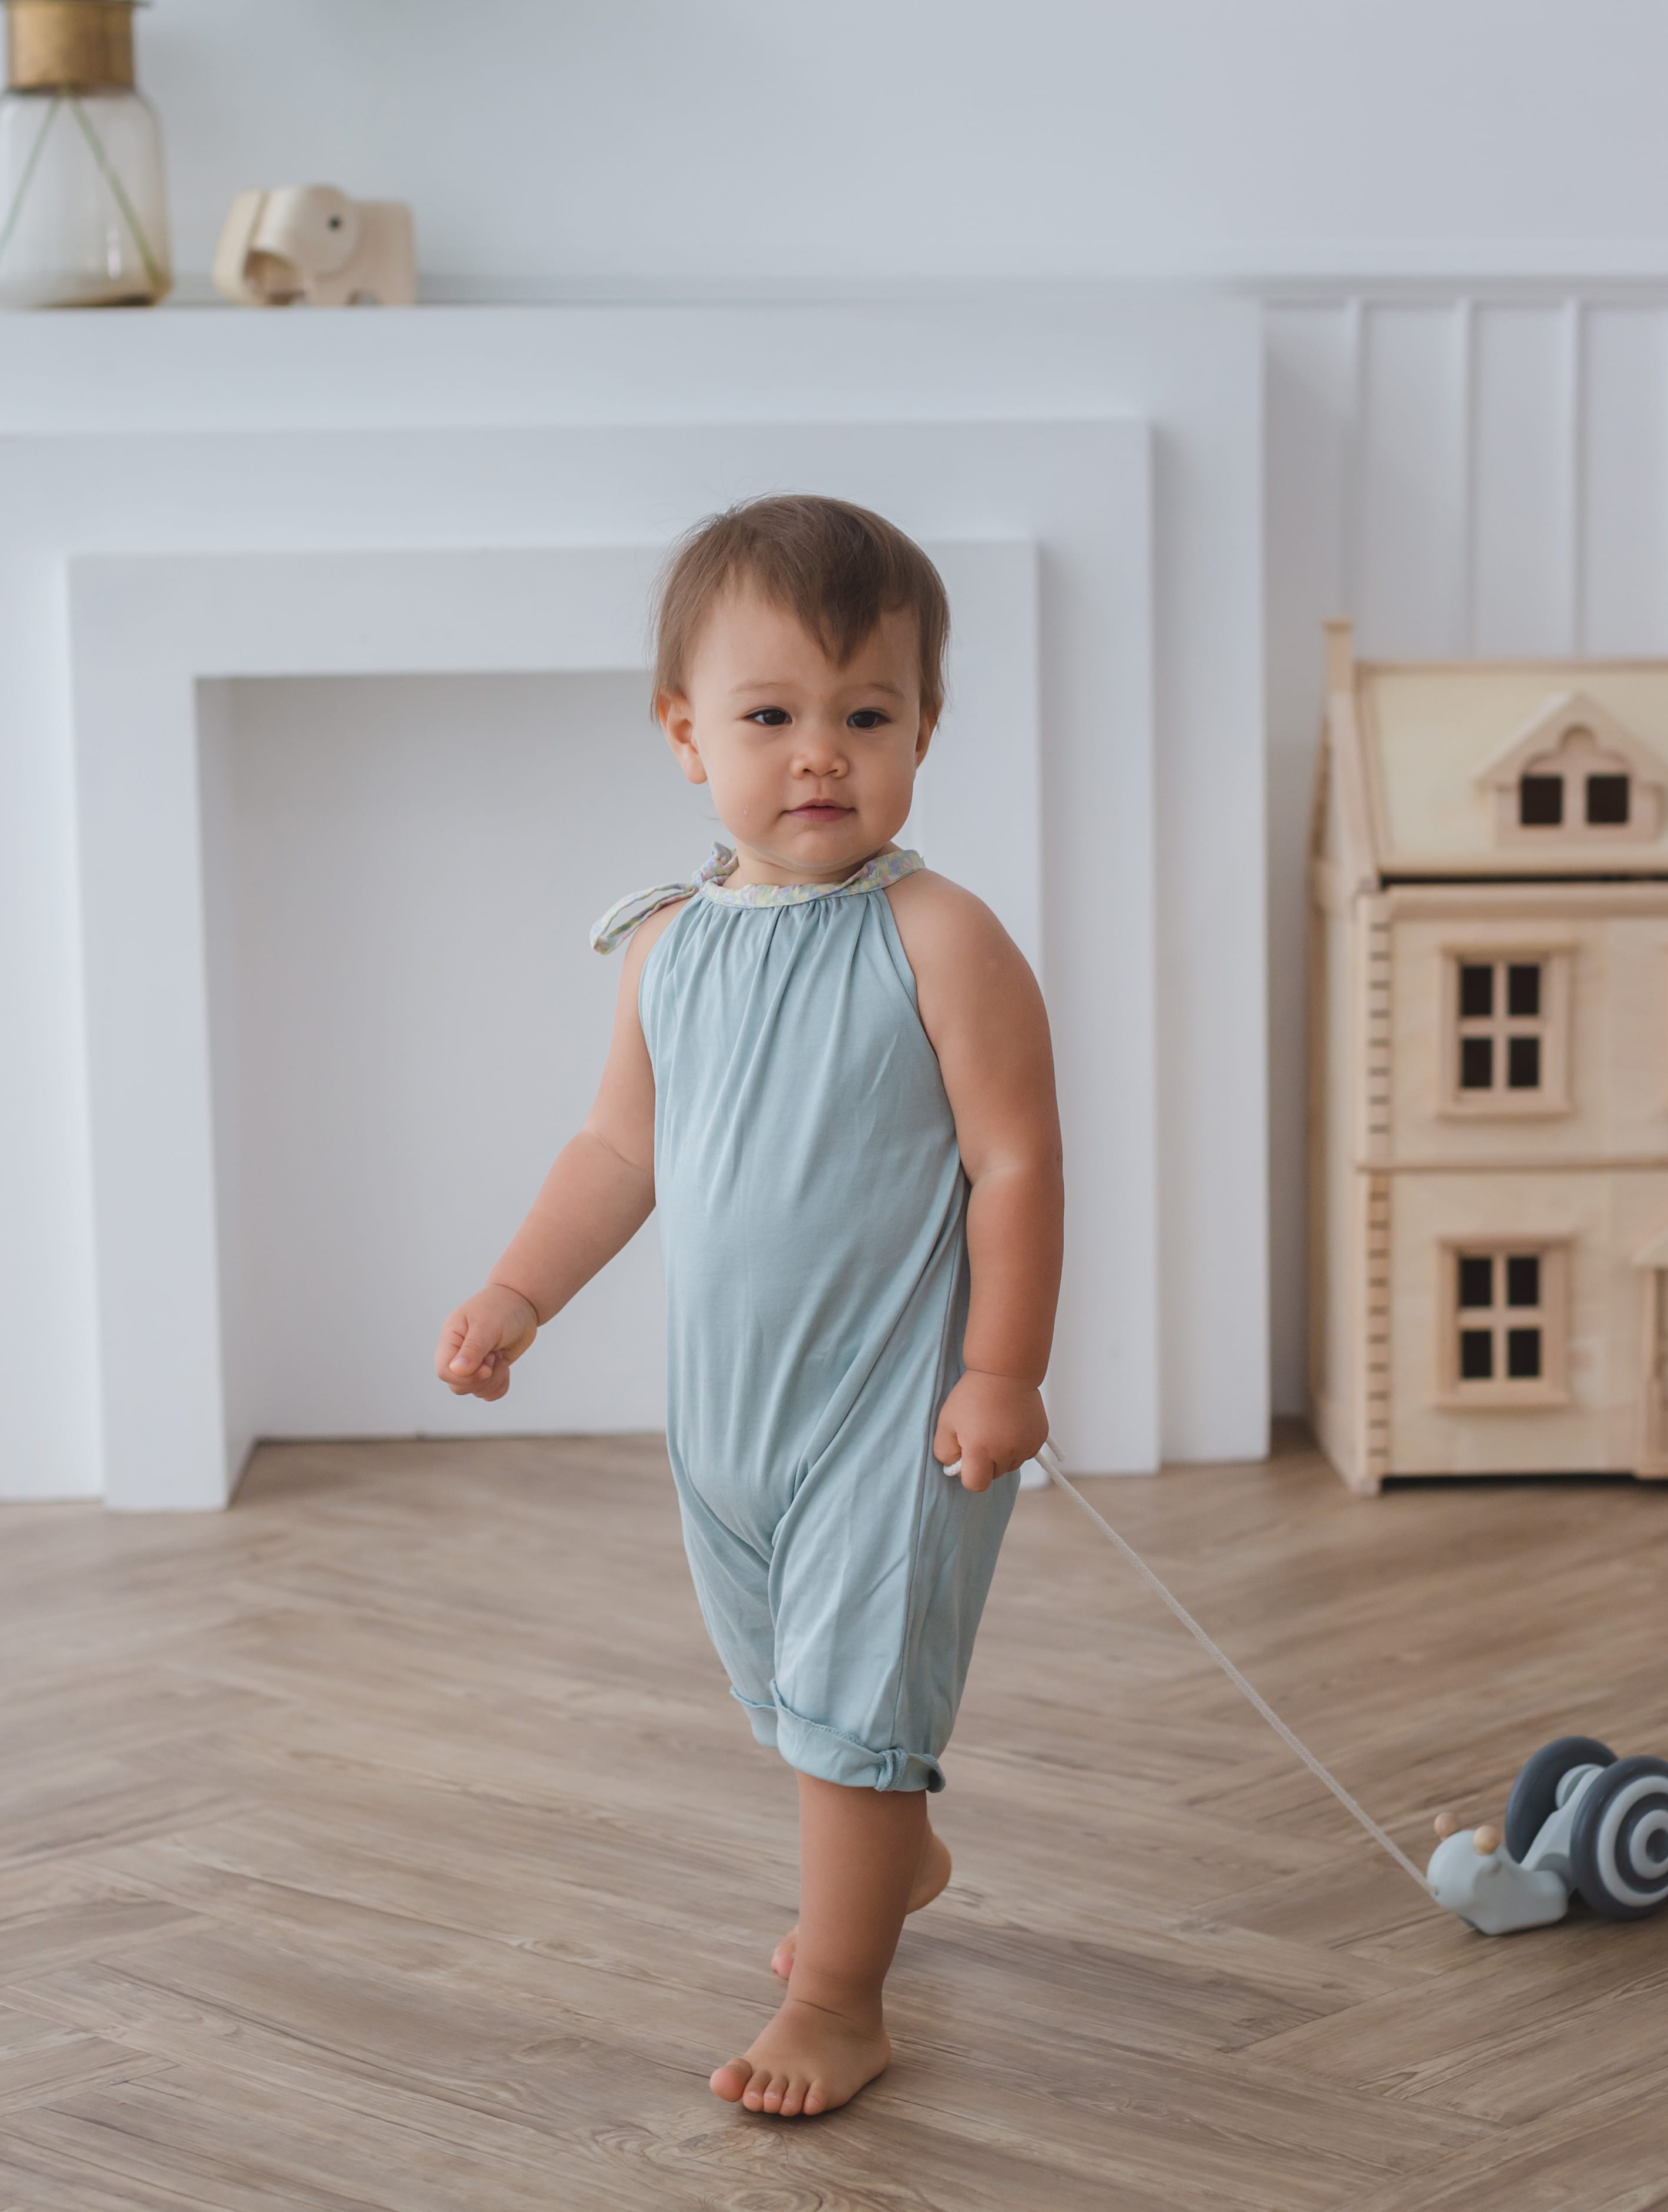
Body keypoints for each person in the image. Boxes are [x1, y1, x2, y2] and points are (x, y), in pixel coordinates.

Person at [434, 493, 1062, 2118]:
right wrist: (518, 1290)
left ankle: (840, 2002)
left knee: (851, 1696)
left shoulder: (940, 937)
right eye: (771, 717)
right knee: (794, 1691)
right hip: (727, 1415)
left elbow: (1013, 1161)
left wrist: (1003, 1370)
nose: (820, 756)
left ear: (925, 725)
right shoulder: (666, 949)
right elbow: (616, 1151)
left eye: (868, 716)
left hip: (891, 1412)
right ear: (684, 733)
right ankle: (894, 1850)